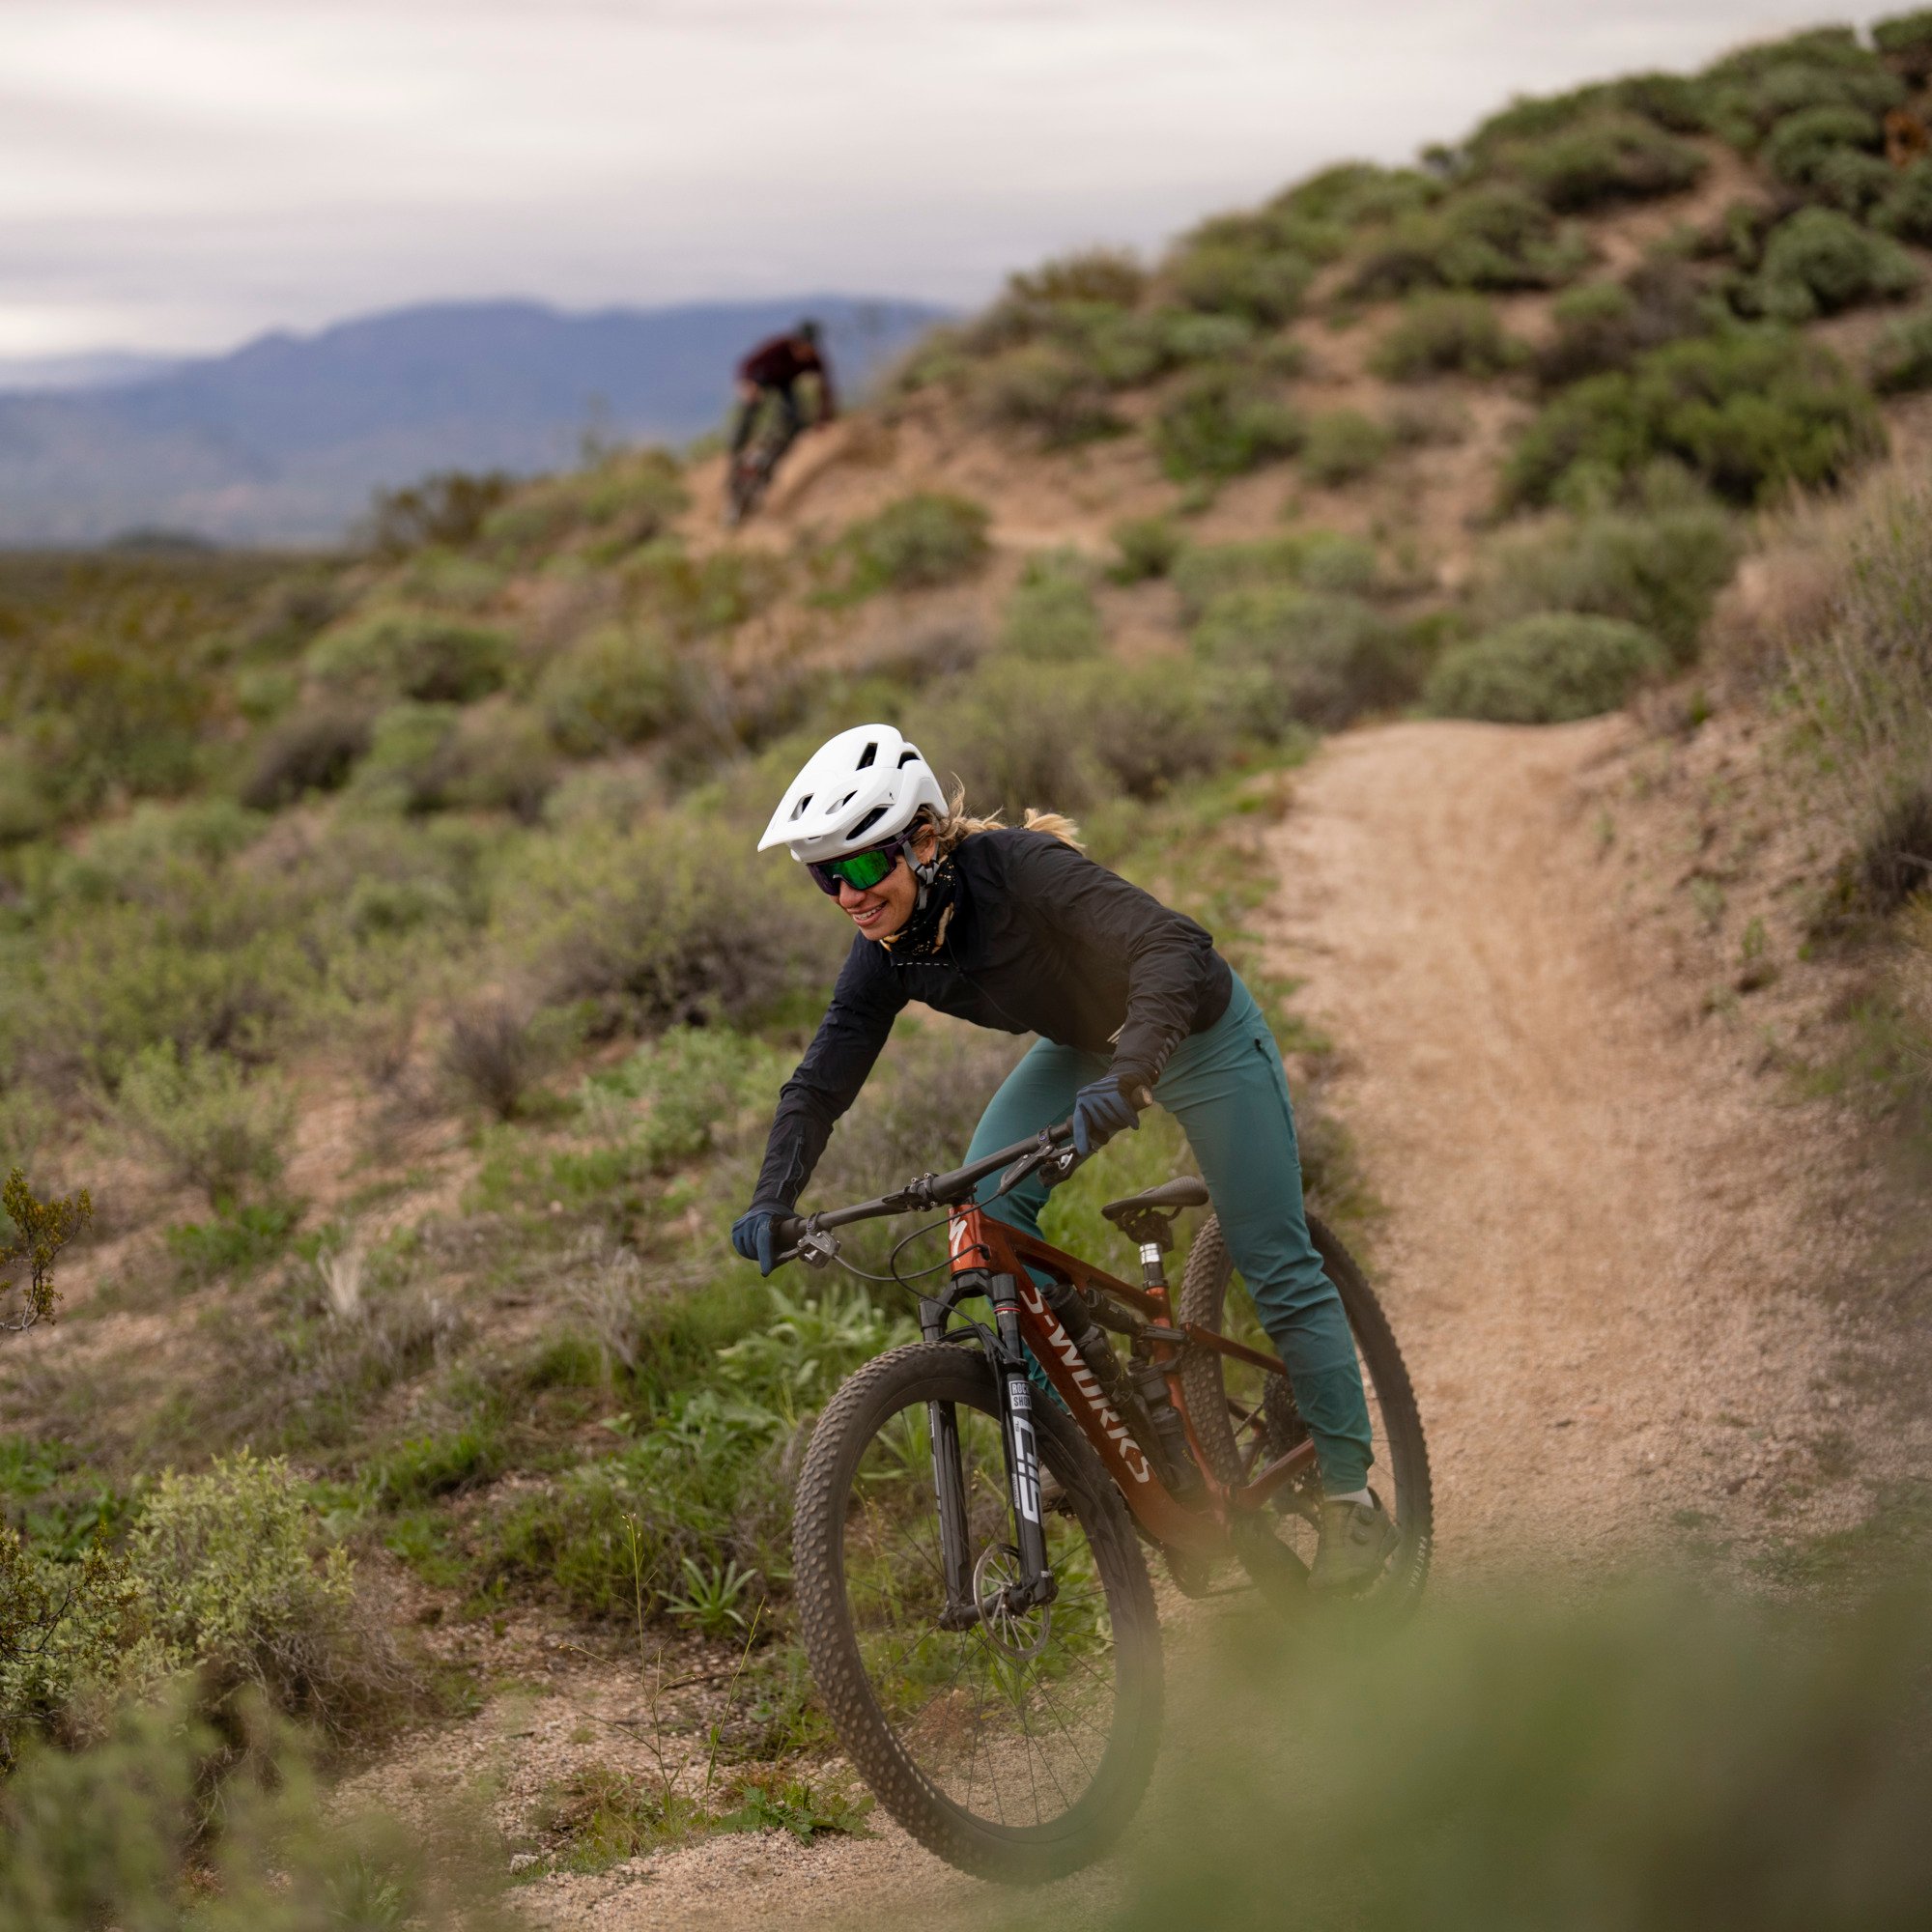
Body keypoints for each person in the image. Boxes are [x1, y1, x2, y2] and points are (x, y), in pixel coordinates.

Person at [730, 723, 1398, 1594]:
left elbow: (1174, 947)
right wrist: (771, 1198)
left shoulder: (1018, 871)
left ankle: (1352, 1497)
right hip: (1085, 1049)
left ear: (924, 841)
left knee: (1273, 1259)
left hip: (1197, 1031)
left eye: (862, 866)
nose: (848, 895)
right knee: (984, 1223)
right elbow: (819, 1081)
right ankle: (1110, 1432)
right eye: (827, 876)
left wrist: (1131, 1075)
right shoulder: (889, 950)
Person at [728, 318, 837, 464]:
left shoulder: (814, 359)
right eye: (800, 345)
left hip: (785, 385)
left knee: (796, 419)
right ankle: (737, 446)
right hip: (762, 379)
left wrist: (823, 418)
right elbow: (750, 363)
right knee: (752, 405)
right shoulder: (780, 346)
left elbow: (825, 390)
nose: (803, 351)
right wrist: (748, 383)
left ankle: (775, 456)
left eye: (808, 347)